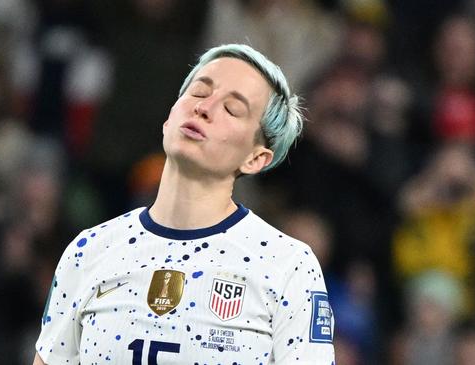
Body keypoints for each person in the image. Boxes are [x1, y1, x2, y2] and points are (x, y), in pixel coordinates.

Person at [33, 44, 335, 364]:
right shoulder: (90, 250)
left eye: (232, 109)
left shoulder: (286, 265)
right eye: (198, 92)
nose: (204, 108)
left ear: (256, 158)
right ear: (169, 117)